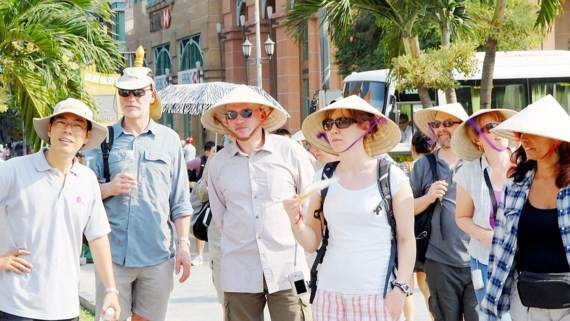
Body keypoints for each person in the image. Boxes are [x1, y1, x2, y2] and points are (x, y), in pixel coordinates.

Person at [283, 95, 416, 321]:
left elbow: (406, 239)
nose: (334, 130)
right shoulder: (322, 178)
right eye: (329, 124)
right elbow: (312, 241)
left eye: (343, 122)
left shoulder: (392, 178)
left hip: (377, 294)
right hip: (328, 295)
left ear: (366, 127)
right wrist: (293, 219)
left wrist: (400, 289)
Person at [84, 67, 193, 321]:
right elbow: (85, 195)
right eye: (124, 93)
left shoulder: (169, 140)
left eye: (138, 92)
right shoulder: (104, 139)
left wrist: (184, 245)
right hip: (113, 256)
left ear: (151, 95)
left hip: (156, 254)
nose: (131, 98)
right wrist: (110, 188)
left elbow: (180, 201)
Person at [0, 98, 120, 320]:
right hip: (15, 306)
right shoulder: (14, 171)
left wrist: (111, 290)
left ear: (86, 137)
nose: (67, 130)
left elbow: (98, 237)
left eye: (77, 125)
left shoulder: (87, 179)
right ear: (49, 129)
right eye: (61, 123)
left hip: (65, 306)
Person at [202, 85, 314, 321]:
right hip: (239, 271)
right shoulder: (219, 163)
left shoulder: (290, 152)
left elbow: (309, 202)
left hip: (288, 267)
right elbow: (221, 218)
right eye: (231, 114)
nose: (239, 119)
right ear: (225, 121)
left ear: (262, 115)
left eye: (246, 112)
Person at [481, 95, 570, 320]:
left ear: (556, 138)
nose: (524, 140)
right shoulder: (515, 186)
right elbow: (500, 246)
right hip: (525, 300)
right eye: (521, 134)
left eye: (532, 132)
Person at [410, 103, 478, 321]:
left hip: (477, 259)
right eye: (437, 124)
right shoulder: (424, 165)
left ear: (463, 127)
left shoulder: (477, 162)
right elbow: (405, 209)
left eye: (448, 123)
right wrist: (428, 198)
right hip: (438, 261)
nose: (441, 129)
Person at [451, 109, 516, 306]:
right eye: (490, 127)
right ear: (477, 139)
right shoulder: (468, 173)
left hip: (523, 260)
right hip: (485, 260)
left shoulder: (527, 165)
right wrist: (484, 236)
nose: (499, 130)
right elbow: (462, 217)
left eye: (501, 124)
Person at [401, 130, 436, 321]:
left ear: (412, 148)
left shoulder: (404, 168)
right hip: (428, 235)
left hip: (408, 233)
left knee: (407, 285)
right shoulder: (435, 168)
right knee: (427, 287)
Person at [187, 141, 216, 266]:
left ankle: (199, 255)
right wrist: (190, 183)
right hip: (202, 199)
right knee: (200, 225)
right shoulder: (199, 161)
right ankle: (198, 255)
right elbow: (181, 167)